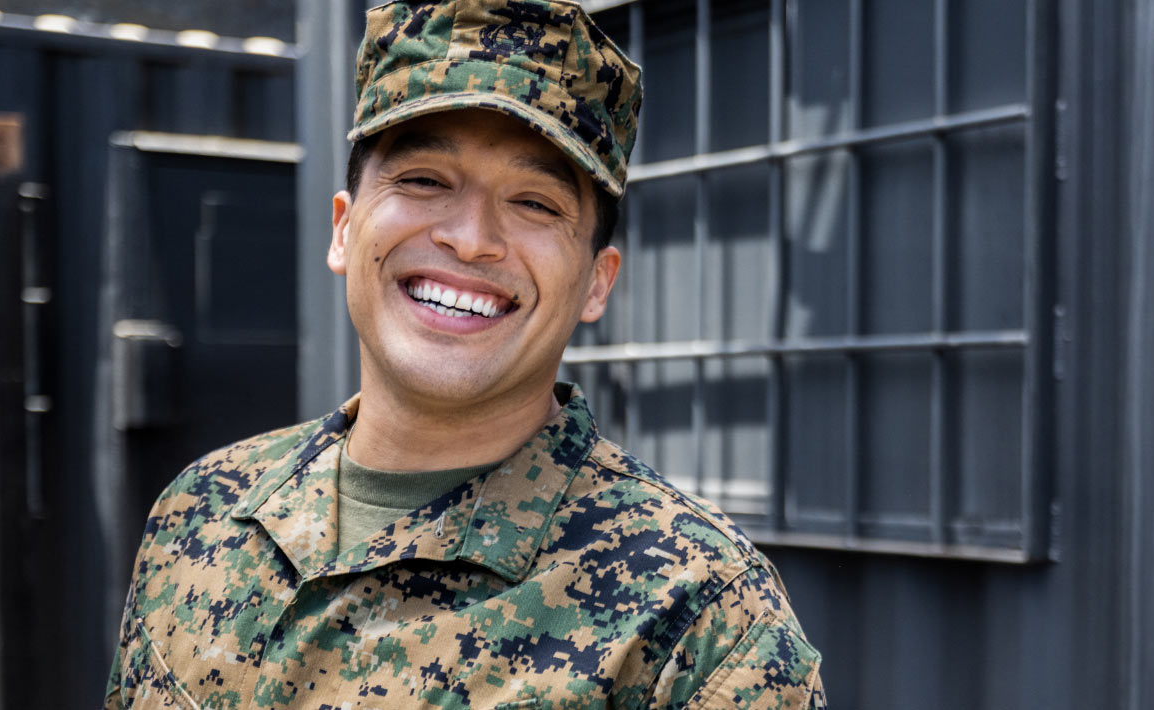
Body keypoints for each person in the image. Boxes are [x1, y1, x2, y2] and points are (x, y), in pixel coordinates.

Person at [100, 1, 826, 708]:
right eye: (424, 181)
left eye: (536, 202)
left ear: (596, 283)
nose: (471, 236)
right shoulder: (203, 511)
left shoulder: (699, 621)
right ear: (344, 231)